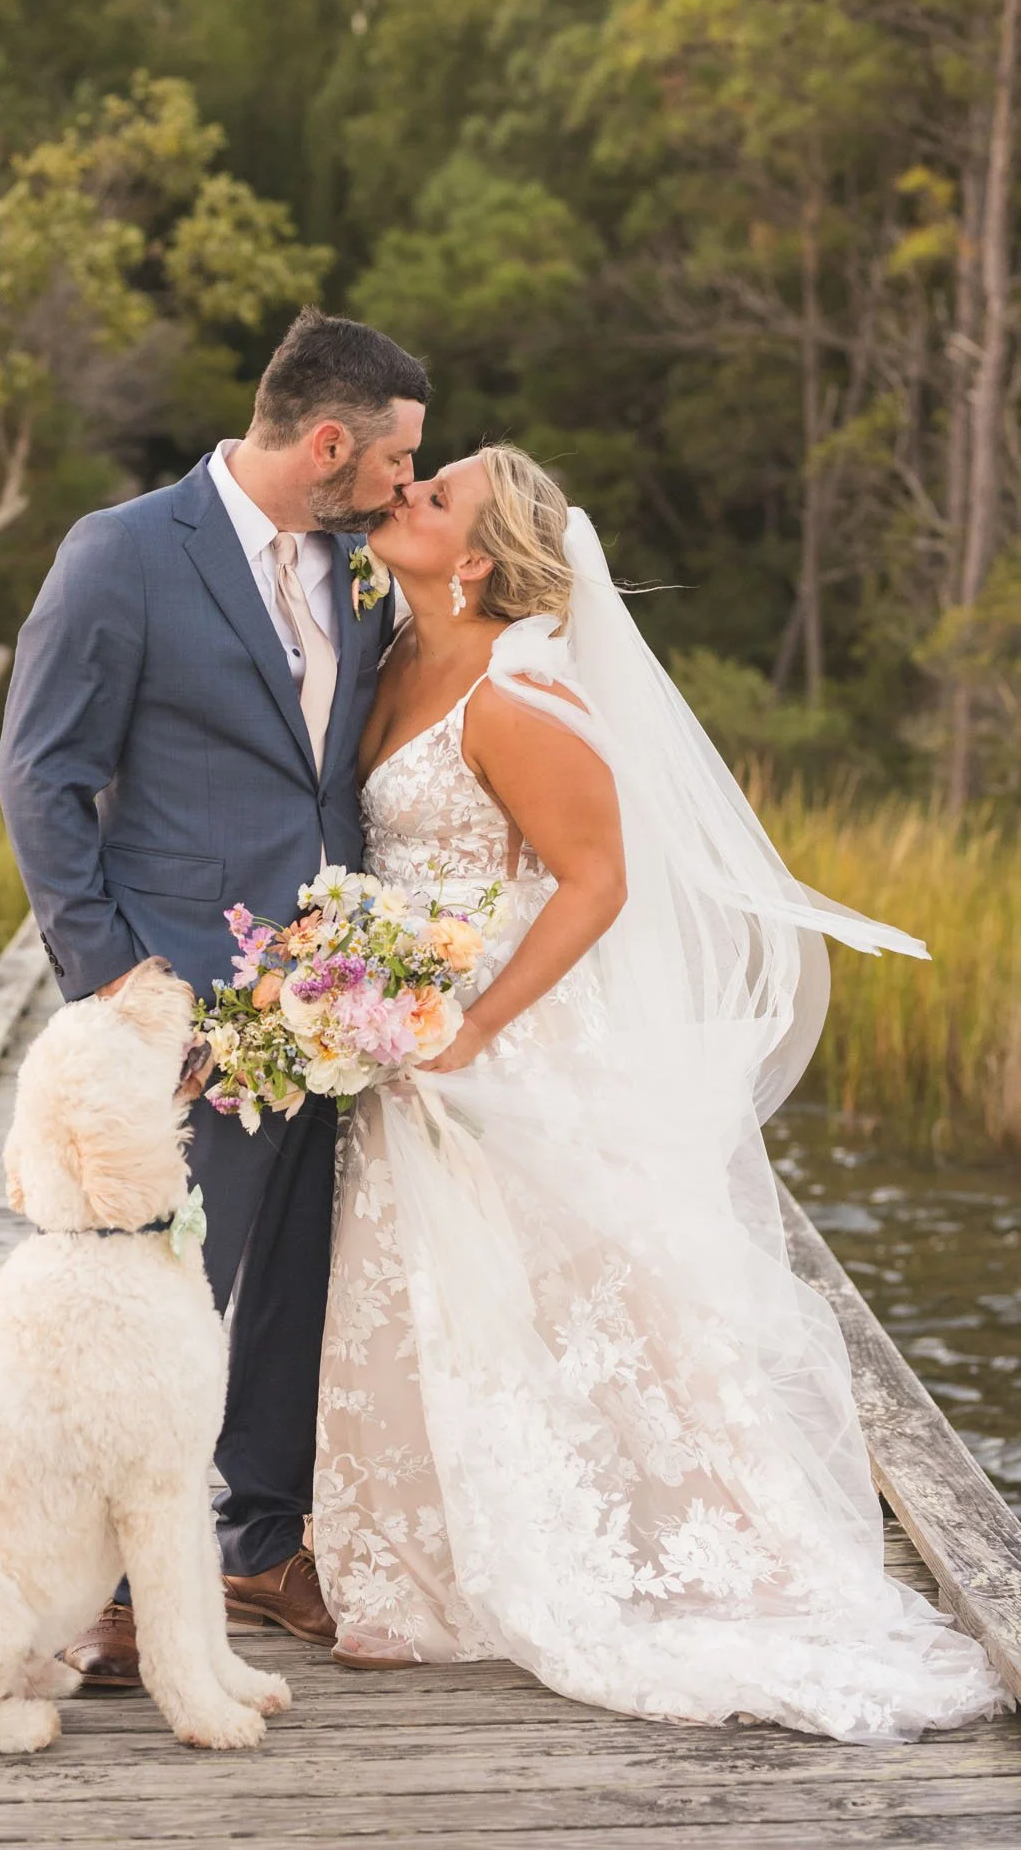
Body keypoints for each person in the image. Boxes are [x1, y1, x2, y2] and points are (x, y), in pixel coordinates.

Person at [312, 442, 1010, 1742]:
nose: (403, 495)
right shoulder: (388, 658)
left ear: (474, 557)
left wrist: (470, 1031)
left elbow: (594, 884)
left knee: (590, 1306)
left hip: (498, 1046)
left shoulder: (522, 698)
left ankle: (676, 1552)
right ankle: (418, 1570)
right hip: (397, 1030)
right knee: (422, 1297)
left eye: (433, 492)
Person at [0, 308, 428, 1683]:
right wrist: (116, 979)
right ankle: (109, 1587)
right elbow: (40, 776)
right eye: (394, 459)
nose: (406, 483)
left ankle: (257, 1542)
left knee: (298, 1274)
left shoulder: (356, 574)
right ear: (326, 441)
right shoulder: (121, 553)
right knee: (159, 1292)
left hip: (329, 998)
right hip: (172, 999)